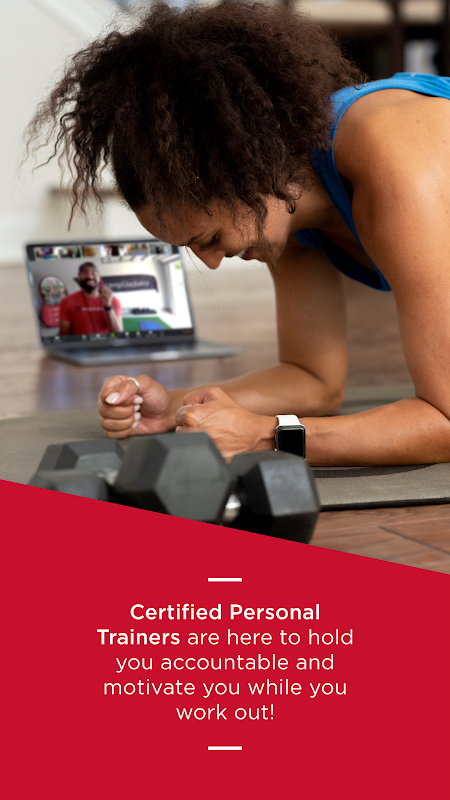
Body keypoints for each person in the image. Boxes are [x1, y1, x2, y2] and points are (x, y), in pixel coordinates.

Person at [26, 2, 450, 465]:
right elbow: (312, 380)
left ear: (248, 174)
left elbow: (445, 419)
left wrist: (266, 436)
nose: (210, 262)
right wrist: (178, 407)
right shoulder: (288, 214)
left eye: (208, 239)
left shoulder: (392, 153)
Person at [59, 263, 123, 335]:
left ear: (99, 277)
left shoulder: (113, 301)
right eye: (85, 273)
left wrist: (108, 306)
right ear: (79, 277)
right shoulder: (67, 301)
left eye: (93, 273)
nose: (89, 276)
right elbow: (64, 334)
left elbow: (117, 333)